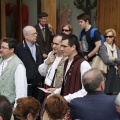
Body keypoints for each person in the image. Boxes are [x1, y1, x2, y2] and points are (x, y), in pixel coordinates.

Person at [53, 34, 91, 103]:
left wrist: (66, 98)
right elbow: (67, 85)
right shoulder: (67, 62)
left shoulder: (83, 64)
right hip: (67, 105)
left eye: (64, 46)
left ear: (73, 47)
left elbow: (86, 90)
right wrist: (56, 92)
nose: (61, 49)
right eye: (61, 46)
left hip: (78, 105)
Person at [16, 26, 44, 101]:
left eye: (36, 33)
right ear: (26, 36)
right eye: (33, 34)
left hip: (38, 84)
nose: (36, 35)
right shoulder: (19, 48)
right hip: (27, 84)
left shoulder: (37, 47)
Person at [0, 38, 27, 108]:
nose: (0, 50)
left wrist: (17, 107)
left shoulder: (18, 65)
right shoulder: (1, 60)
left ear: (12, 50)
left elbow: (21, 89)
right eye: (1, 47)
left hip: (9, 105)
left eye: (4, 48)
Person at [98, 29, 120, 94]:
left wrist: (113, 59)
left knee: (114, 93)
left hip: (114, 73)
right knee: (105, 92)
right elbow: (106, 60)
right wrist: (115, 63)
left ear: (113, 37)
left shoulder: (116, 48)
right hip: (105, 73)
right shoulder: (103, 47)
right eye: (106, 36)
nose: (107, 38)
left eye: (110, 36)